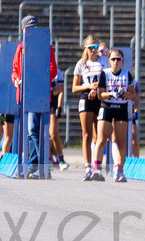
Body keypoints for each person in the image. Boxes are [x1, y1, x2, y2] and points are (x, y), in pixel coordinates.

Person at [11, 15, 59, 179]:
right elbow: (15, 70)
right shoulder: (20, 48)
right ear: (23, 30)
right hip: (24, 94)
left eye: (35, 28)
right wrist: (17, 80)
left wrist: (34, 77)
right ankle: (33, 165)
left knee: (33, 130)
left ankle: (41, 166)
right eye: (29, 29)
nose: (32, 31)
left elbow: (53, 70)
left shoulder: (46, 46)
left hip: (38, 93)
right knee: (29, 132)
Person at [94, 48, 135, 182]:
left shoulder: (127, 74)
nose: (116, 62)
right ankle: (97, 169)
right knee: (101, 139)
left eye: (118, 59)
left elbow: (132, 95)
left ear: (122, 61)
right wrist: (111, 93)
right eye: (113, 59)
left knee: (120, 140)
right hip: (107, 107)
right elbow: (100, 95)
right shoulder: (104, 74)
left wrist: (123, 93)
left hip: (121, 108)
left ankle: (119, 171)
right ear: (109, 61)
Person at [72, 36, 104, 180]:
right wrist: (89, 86)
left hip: (100, 97)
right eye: (90, 48)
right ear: (85, 48)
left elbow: (108, 79)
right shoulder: (81, 64)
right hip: (86, 98)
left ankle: (97, 167)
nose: (93, 50)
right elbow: (74, 88)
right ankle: (87, 168)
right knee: (87, 135)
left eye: (95, 47)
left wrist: (96, 89)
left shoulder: (104, 61)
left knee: (99, 135)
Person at [49, 70, 67, 170]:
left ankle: (61, 158)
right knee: (42, 134)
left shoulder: (57, 72)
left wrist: (59, 107)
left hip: (52, 102)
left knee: (53, 133)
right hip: (41, 100)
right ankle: (48, 157)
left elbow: (60, 91)